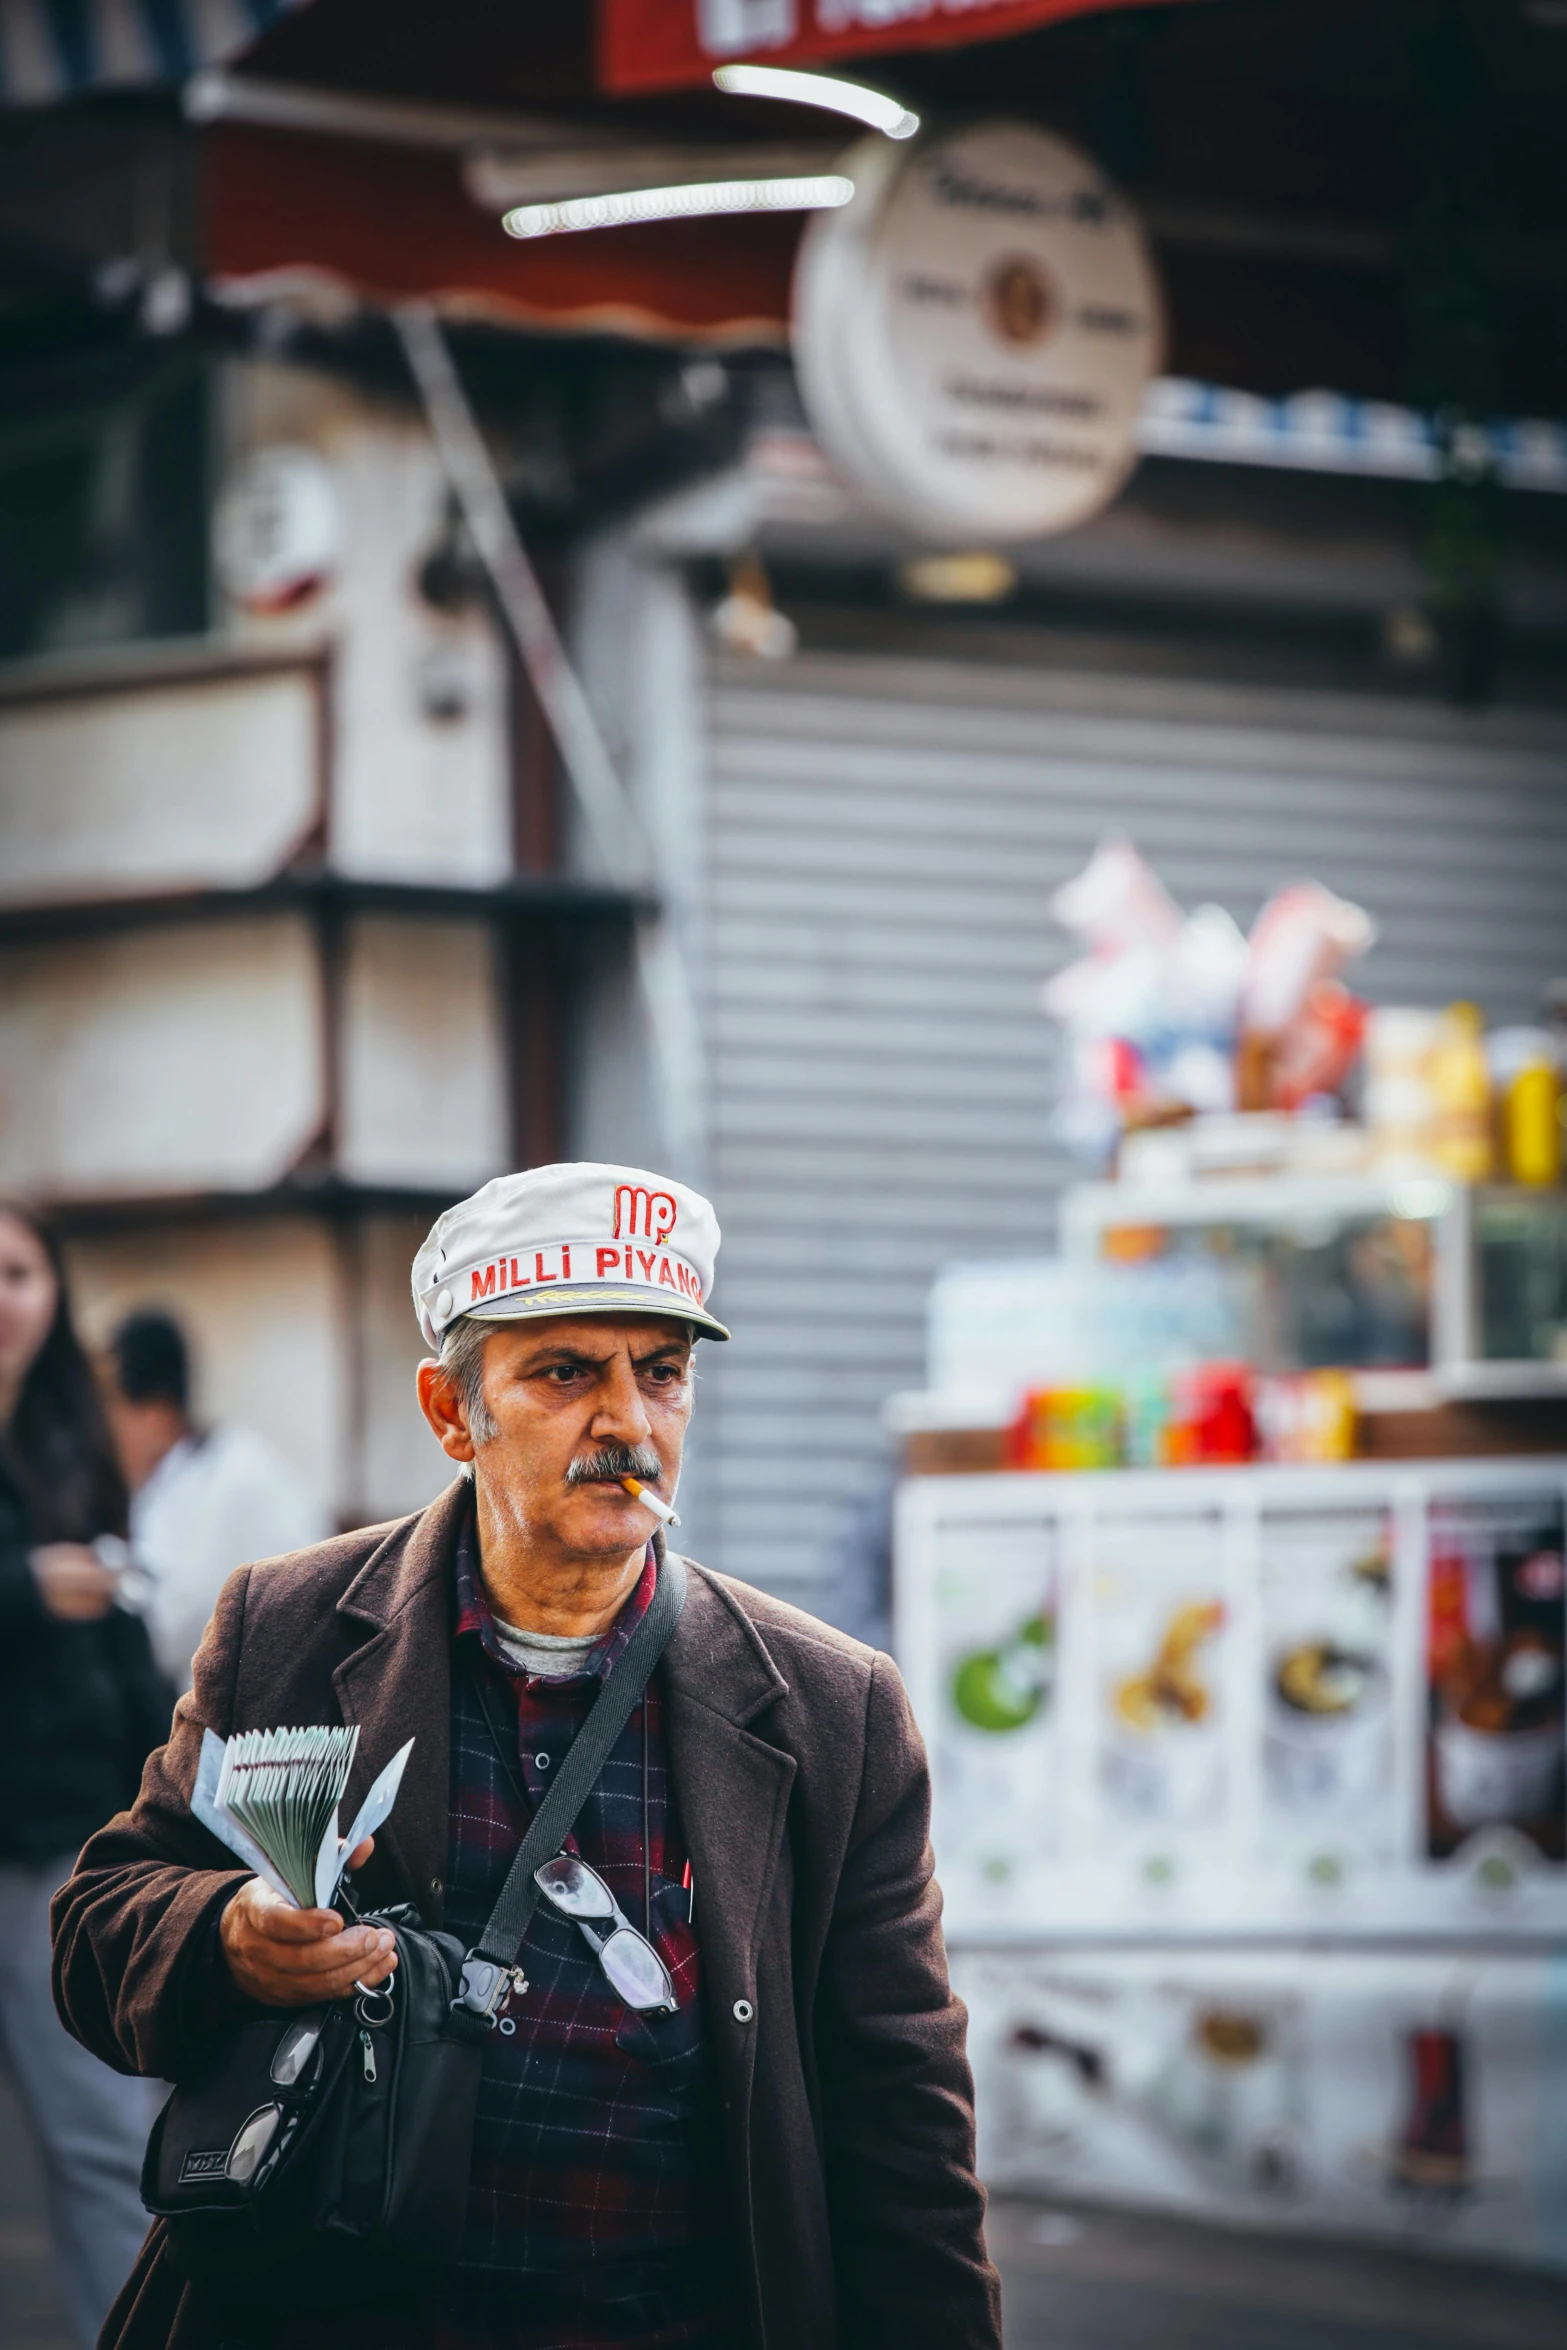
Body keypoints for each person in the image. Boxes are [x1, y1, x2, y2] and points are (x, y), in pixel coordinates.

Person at [52, 1161, 1003, 2350]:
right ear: (454, 1412)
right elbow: (98, 1930)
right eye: (564, 1372)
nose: (626, 1421)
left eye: (660, 1371)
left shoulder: (828, 1710)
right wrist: (229, 1939)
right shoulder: (287, 1628)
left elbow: (902, 2116)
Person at [0, 1203, 173, 2350]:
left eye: (16, 1270)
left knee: (108, 2144)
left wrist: (168, 1800)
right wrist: (22, 1588)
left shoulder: (73, 1436)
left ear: (54, 1291)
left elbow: (126, 1649)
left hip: (57, 1840)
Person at [104, 1308, 332, 1689]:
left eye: (110, 1413)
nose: (101, 1436)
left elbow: (171, 1628)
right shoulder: (177, 1478)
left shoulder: (233, 1480)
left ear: (156, 1414)